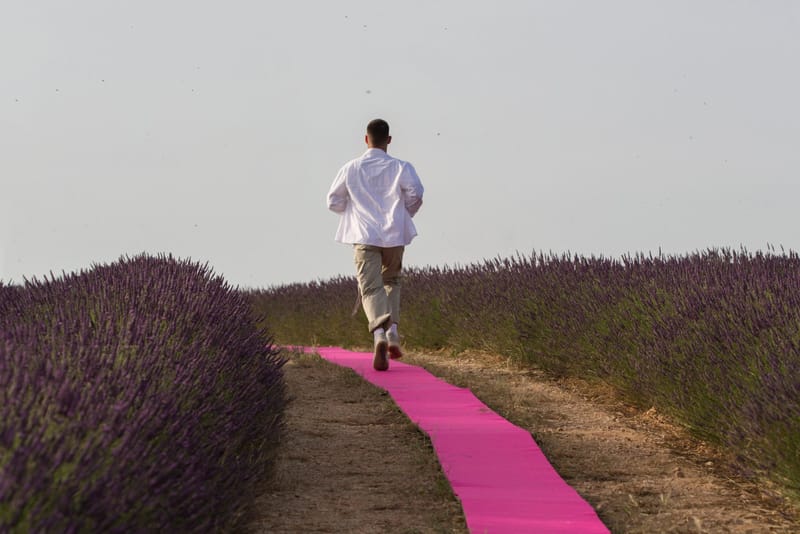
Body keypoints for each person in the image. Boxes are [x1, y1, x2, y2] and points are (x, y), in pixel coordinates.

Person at [327, 118, 424, 371]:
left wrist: (352, 211)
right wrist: (403, 215)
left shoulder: (350, 168)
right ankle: (392, 331)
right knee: (392, 281)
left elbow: (333, 200)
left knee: (369, 288)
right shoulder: (402, 167)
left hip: (363, 235)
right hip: (394, 235)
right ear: (389, 140)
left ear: (366, 139)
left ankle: (379, 335)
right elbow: (416, 194)